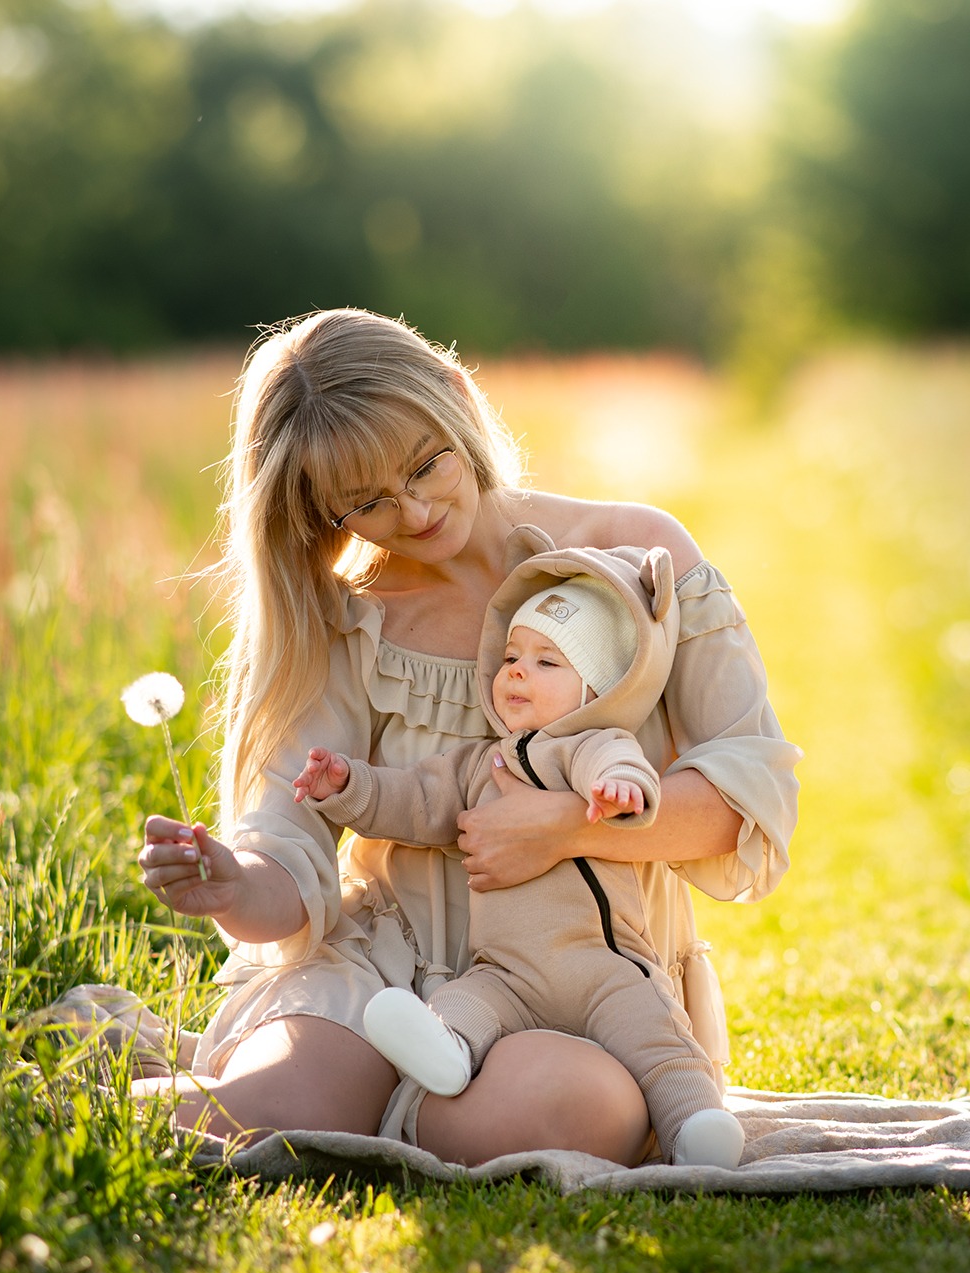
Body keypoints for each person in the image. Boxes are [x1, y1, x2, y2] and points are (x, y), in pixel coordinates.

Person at [136, 308, 799, 1166]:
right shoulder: (346, 621)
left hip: (581, 977)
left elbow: (743, 802)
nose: (412, 511)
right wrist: (229, 882)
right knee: (271, 1110)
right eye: (367, 501)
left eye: (424, 464)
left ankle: (384, 1107)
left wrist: (564, 824)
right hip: (381, 973)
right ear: (322, 508)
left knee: (573, 1110)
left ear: (456, 397)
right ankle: (325, 1080)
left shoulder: (636, 557)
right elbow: (288, 863)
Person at [292, 550, 747, 1169]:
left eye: (545, 662)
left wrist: (621, 789)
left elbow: (624, 769)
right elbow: (418, 801)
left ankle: (698, 1126)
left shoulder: (593, 746)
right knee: (465, 1004)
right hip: (507, 972)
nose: (516, 675)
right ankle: (443, 1049)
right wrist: (350, 786)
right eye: (510, 659)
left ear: (594, 687)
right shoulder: (485, 764)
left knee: (658, 1039)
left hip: (604, 967)